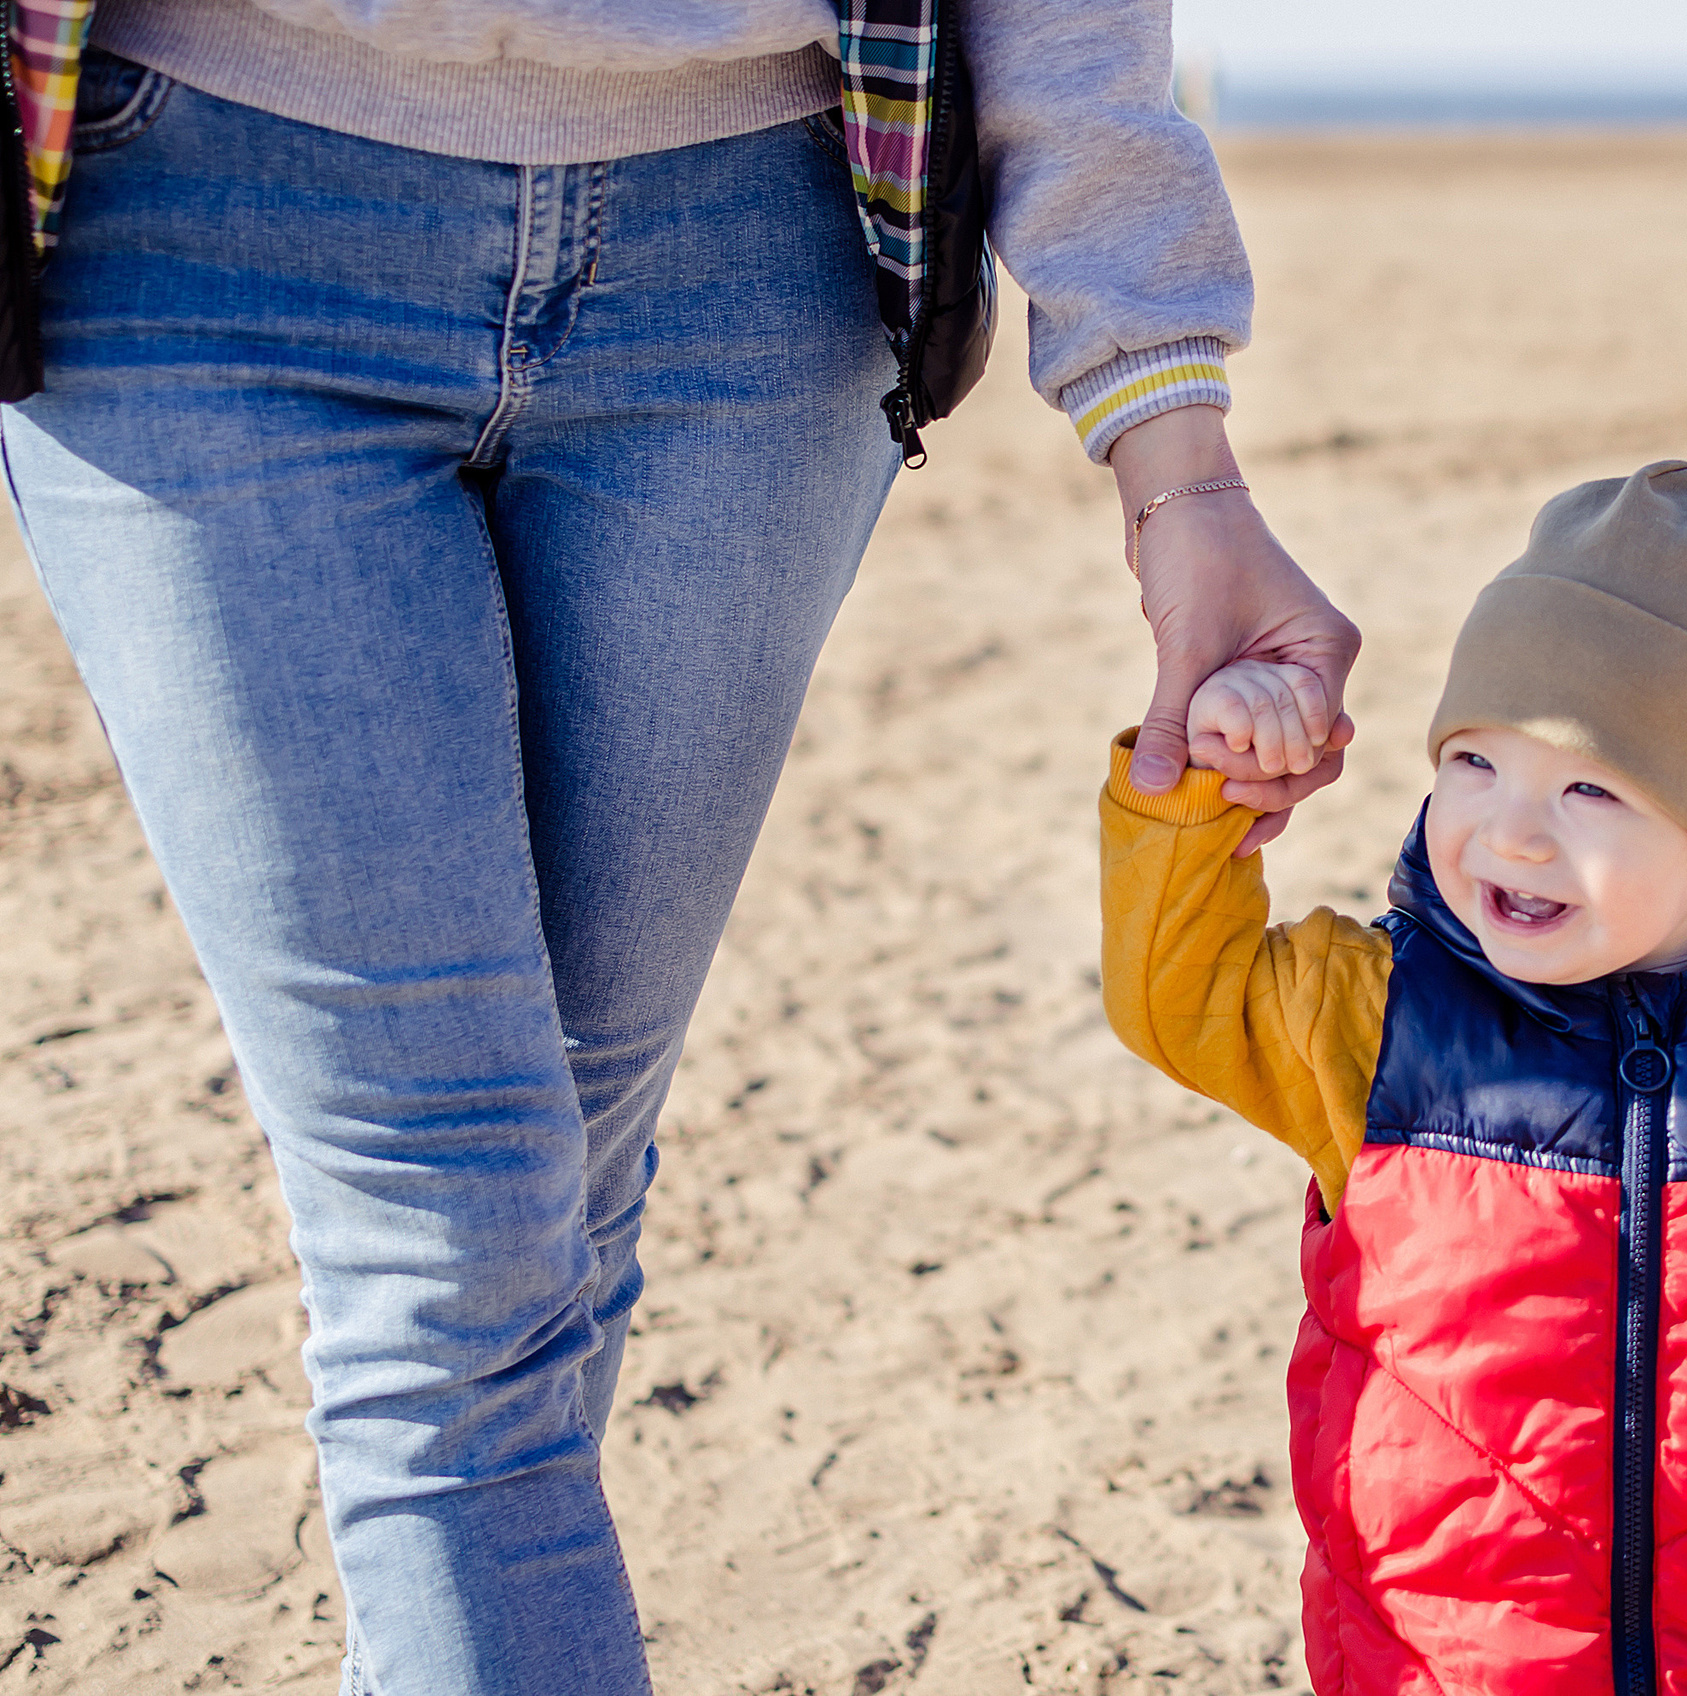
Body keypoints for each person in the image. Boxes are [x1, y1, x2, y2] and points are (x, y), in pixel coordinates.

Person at [1, 3, 1353, 1693]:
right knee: (454, 1235)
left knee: (559, 1185)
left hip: (748, 266)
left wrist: (1180, 471)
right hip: (200, 228)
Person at [1101, 463, 1687, 1692]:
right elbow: (1179, 994)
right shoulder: (1379, 1013)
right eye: (1474, 763)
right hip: (1453, 1652)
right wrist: (1200, 785)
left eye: (1590, 786)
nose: (1510, 830)